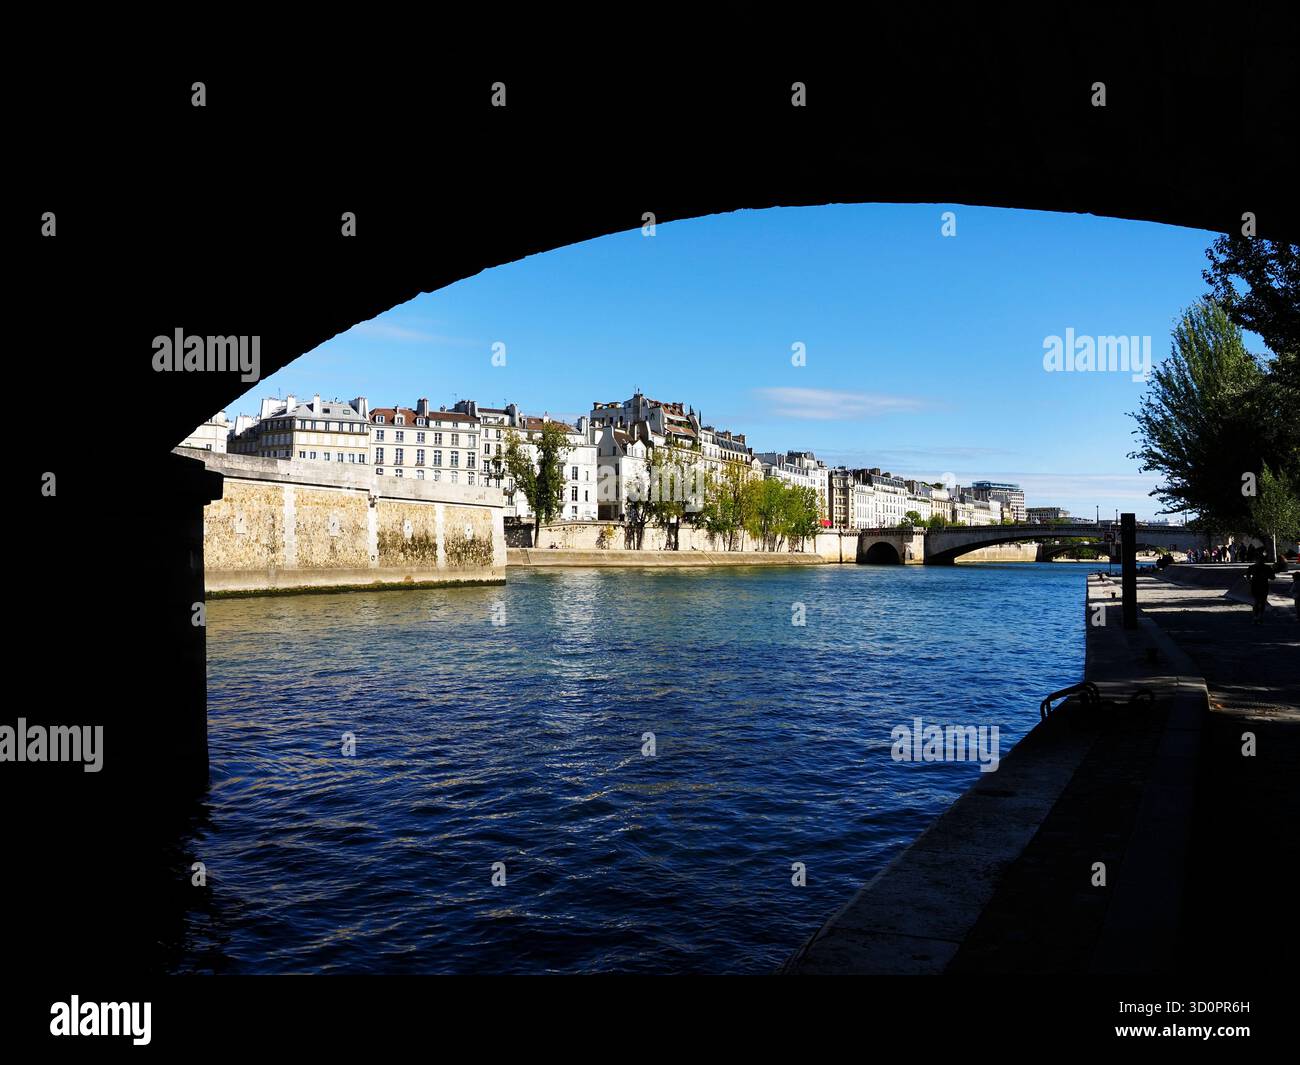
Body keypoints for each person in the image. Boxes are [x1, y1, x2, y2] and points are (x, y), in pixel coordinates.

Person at [1244, 558, 1274, 624]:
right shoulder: (1267, 567)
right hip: (1262, 585)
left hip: (1256, 585)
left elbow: (1247, 577)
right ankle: (1259, 616)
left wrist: (1249, 581)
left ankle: (1256, 617)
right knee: (1261, 601)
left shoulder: (1252, 567)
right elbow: (1273, 577)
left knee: (1257, 601)